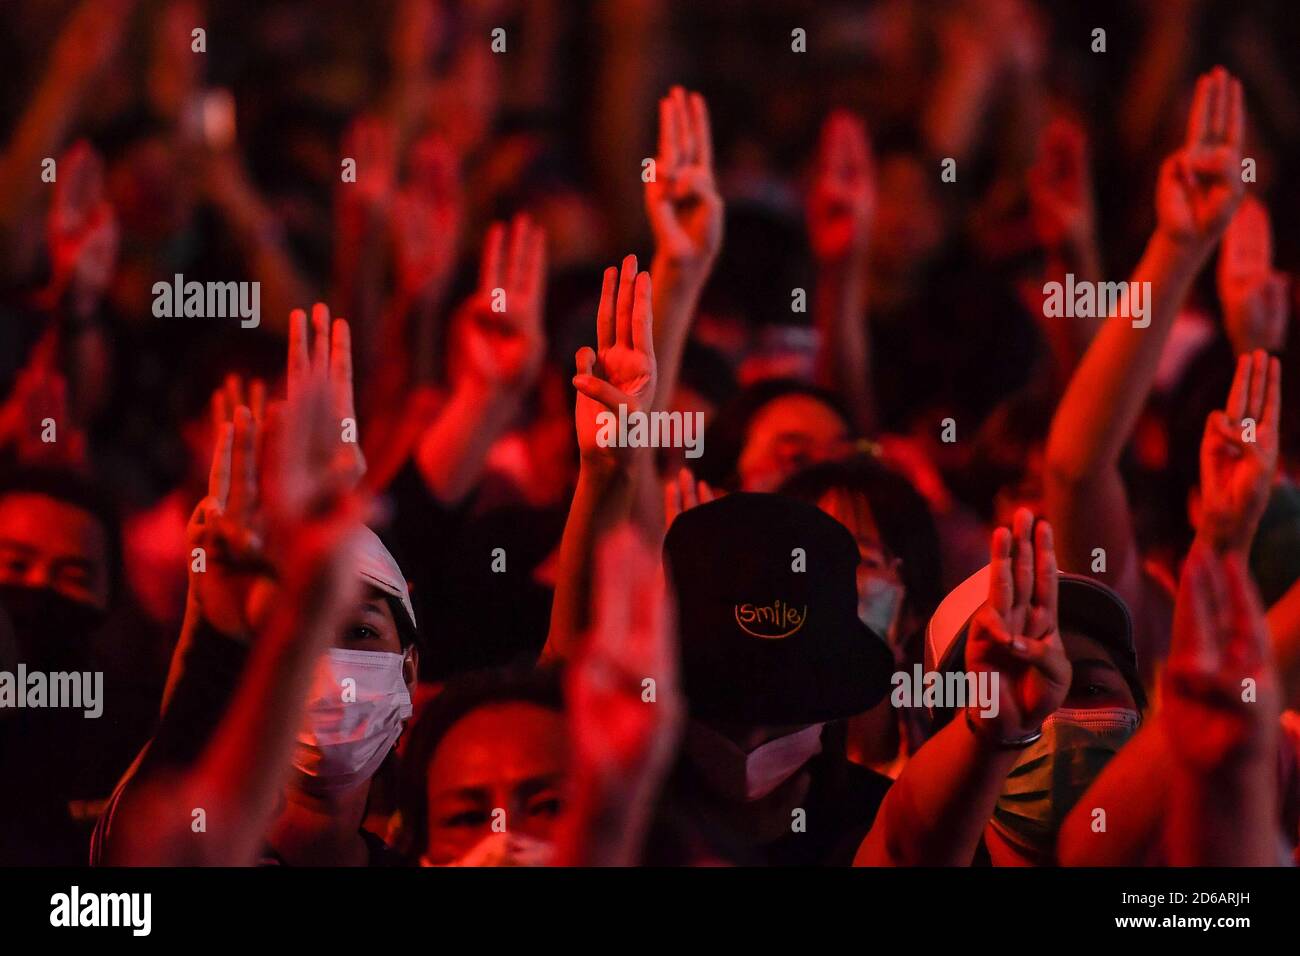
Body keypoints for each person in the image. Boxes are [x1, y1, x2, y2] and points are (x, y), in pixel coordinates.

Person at [647, 491, 897, 865]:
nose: (753, 741)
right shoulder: (620, 821)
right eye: (724, 717)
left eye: (784, 717)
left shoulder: (888, 823)